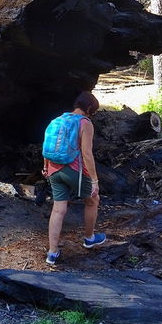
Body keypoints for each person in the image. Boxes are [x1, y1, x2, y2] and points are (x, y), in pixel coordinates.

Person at [42, 91, 105, 265]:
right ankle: (89, 238)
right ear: (89, 108)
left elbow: (48, 145)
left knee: (58, 209)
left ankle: (52, 252)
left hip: (53, 169)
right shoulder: (85, 123)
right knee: (93, 200)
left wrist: (45, 167)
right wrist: (94, 180)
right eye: (94, 111)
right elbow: (86, 153)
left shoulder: (57, 120)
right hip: (74, 169)